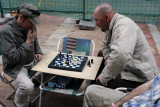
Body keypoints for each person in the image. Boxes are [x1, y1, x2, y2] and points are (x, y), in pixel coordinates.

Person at [83, 2, 159, 107]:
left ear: (106, 17)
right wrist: (108, 57)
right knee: (101, 55)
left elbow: (120, 55)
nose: (95, 23)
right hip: (130, 67)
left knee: (102, 85)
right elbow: (105, 45)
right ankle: (94, 84)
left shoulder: (123, 26)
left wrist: (104, 78)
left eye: (97, 20)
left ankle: (94, 93)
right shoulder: (111, 25)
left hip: (140, 77)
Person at [0, 3, 43, 107]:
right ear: (21, 17)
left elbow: (35, 41)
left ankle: (38, 79)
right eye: (31, 22)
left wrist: (38, 52)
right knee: (28, 87)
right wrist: (28, 41)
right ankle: (19, 103)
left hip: (31, 60)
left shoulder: (31, 26)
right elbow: (13, 58)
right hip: (17, 66)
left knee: (56, 65)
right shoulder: (6, 32)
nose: (33, 25)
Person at [84, 73, 160, 107]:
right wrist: (117, 104)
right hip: (137, 99)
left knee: (105, 81)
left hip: (138, 77)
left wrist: (104, 75)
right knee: (91, 90)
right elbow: (149, 85)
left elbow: (120, 57)